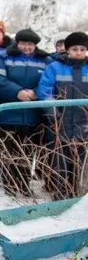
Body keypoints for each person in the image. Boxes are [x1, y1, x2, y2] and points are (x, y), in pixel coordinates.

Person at [0, 28, 51, 196]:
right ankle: (10, 185)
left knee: (27, 152)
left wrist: (35, 93)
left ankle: (24, 184)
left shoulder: (44, 60)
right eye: (23, 43)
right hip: (8, 114)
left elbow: (48, 81)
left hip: (32, 115)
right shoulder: (4, 57)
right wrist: (17, 92)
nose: (27, 47)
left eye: (30, 44)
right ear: (17, 43)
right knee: (9, 151)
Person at [37, 31, 88, 199]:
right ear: (68, 50)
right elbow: (45, 91)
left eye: (82, 49)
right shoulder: (55, 67)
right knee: (60, 159)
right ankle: (60, 194)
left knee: (80, 159)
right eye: (74, 49)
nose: (78, 52)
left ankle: (76, 193)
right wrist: (54, 114)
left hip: (83, 122)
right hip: (60, 121)